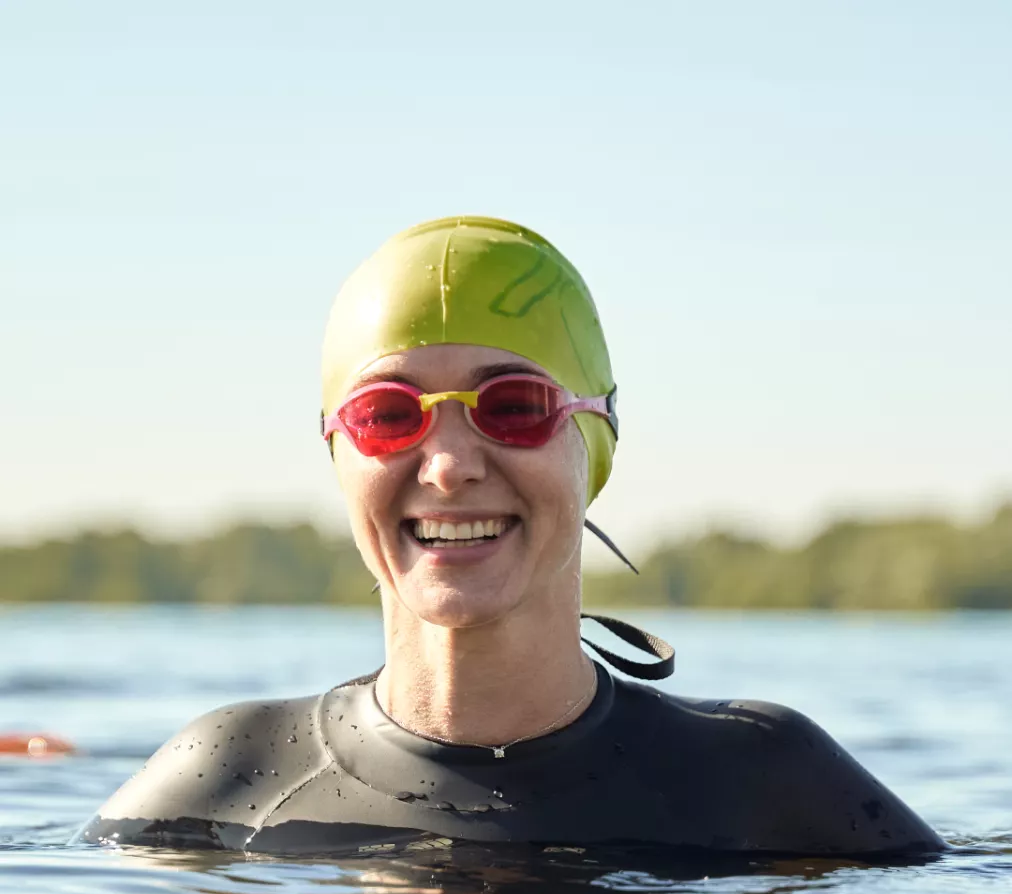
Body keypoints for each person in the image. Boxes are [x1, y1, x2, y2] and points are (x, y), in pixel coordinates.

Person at [83, 216, 941, 860]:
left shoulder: (766, 781)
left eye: (515, 408)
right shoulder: (221, 781)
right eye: (388, 416)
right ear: (339, 457)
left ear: (594, 444)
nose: (450, 464)